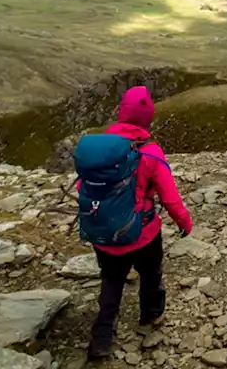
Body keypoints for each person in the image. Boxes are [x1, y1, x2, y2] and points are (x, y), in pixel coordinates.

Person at [84, 86, 193, 362]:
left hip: (104, 234)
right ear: (146, 118)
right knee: (151, 273)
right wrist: (185, 223)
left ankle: (102, 339)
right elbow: (170, 198)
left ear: (122, 113)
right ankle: (150, 316)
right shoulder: (152, 153)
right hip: (143, 233)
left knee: (111, 282)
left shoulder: (99, 151)